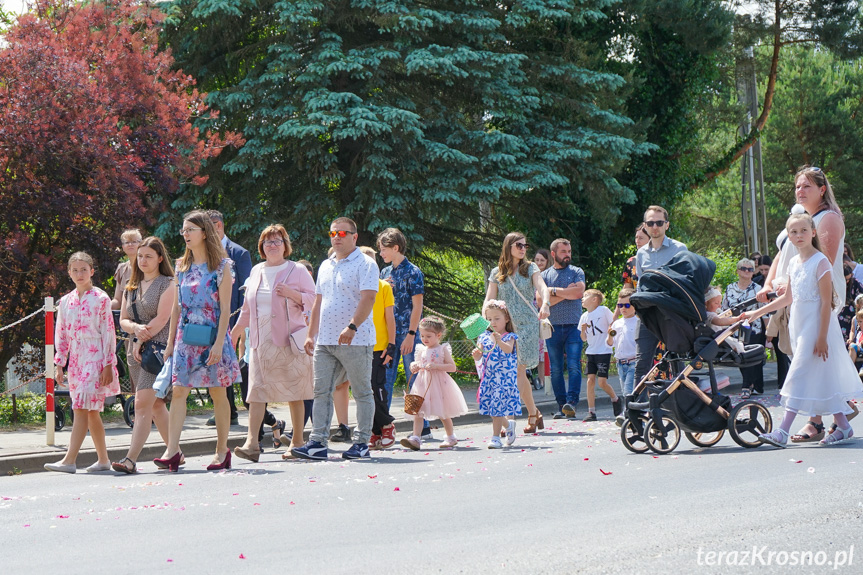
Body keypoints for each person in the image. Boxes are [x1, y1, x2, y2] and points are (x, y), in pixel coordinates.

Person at [743, 213, 862, 447]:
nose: (799, 236)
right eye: (794, 232)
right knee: (821, 378)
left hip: (818, 329)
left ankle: (782, 431)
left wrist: (821, 337)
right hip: (799, 326)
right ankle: (844, 427)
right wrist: (756, 313)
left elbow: (826, 304)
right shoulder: (793, 263)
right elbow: (788, 297)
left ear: (813, 233)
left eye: (803, 231)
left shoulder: (821, 262)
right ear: (789, 236)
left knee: (797, 374)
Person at [756, 167, 851, 442]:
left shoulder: (827, 219)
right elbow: (781, 257)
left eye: (807, 186)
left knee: (800, 367)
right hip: (794, 302)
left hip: (816, 304)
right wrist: (768, 286)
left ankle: (783, 430)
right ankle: (840, 421)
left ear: (822, 189)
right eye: (797, 186)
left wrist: (792, 285)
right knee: (814, 366)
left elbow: (824, 261)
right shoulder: (799, 221)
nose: (800, 190)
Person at [154, 211, 241, 472]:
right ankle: (172, 450)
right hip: (186, 337)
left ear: (204, 232)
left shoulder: (223, 267)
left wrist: (217, 345)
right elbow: (176, 308)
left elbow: (225, 309)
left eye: (190, 229)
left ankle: (222, 450)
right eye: (183, 230)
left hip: (213, 335)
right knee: (179, 390)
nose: (185, 234)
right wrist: (170, 343)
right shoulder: (182, 266)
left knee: (217, 392)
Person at [291, 217, 379, 461]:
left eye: (342, 233)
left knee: (362, 392)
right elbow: (318, 301)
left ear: (354, 236)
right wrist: (311, 334)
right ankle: (318, 442)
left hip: (356, 340)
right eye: (333, 233)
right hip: (325, 341)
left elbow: (368, 298)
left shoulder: (366, 264)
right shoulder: (325, 265)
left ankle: (361, 443)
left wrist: (352, 326)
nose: (337, 237)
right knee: (321, 391)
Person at [230, 225, 315, 462]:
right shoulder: (256, 270)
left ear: (286, 245)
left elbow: (314, 300)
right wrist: (235, 331)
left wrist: (292, 294)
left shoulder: (297, 270)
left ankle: (297, 442)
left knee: (294, 391)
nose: (273, 245)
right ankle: (252, 444)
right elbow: (247, 307)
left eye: (278, 241)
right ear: (262, 247)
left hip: (289, 338)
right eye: (268, 242)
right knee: (256, 392)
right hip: (260, 338)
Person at [45, 252, 121, 473]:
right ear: (69, 272)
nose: (80, 274)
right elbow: (61, 333)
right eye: (75, 270)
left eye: (84, 269)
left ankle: (69, 460)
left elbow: (108, 332)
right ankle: (103, 459)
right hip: (77, 361)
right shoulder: (65, 301)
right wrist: (60, 363)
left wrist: (109, 363)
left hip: (96, 359)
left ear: (92, 271)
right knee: (90, 411)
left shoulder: (101, 299)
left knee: (80, 408)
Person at [112, 237, 175, 474]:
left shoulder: (168, 283)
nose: (143, 260)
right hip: (135, 351)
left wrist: (140, 337)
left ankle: (130, 459)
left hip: (156, 351)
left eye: (148, 256)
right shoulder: (132, 286)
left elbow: (162, 319)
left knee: (141, 406)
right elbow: (123, 320)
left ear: (160, 258)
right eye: (140, 256)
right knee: (156, 405)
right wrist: (135, 330)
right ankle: (175, 451)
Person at [485, 232, 550, 433]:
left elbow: (542, 287)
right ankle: (533, 413)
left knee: (517, 371)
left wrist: (545, 303)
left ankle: (514, 419)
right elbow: (489, 299)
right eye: (518, 245)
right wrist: (487, 319)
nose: (523, 248)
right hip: (507, 327)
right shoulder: (497, 272)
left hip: (527, 326)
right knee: (513, 373)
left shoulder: (530, 267)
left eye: (525, 245)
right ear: (508, 247)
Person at [377, 228, 427, 434]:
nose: (380, 254)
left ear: (395, 248)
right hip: (388, 335)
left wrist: (411, 335)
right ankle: (383, 424)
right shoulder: (384, 273)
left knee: (413, 379)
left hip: (409, 334)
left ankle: (422, 427)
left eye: (383, 249)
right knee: (384, 380)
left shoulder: (414, 272)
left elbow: (418, 306)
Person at [206, 210, 252, 427]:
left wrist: (241, 323)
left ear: (218, 225)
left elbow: (245, 291)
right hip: (208, 319)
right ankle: (227, 410)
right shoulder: (201, 254)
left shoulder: (239, 253)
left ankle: (243, 409)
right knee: (214, 364)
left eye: (208, 225)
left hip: (233, 318)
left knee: (229, 364)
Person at [633, 205, 687, 385]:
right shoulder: (641, 253)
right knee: (642, 362)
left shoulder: (679, 249)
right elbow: (641, 284)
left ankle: (681, 406)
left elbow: (685, 282)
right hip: (648, 313)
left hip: (672, 312)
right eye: (650, 223)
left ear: (667, 225)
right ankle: (634, 409)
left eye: (659, 222)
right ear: (645, 226)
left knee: (676, 362)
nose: (655, 226)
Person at [400, 317, 468, 450]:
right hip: (423, 384)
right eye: (422, 335)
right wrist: (414, 366)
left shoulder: (442, 349)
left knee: (443, 412)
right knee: (418, 410)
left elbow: (452, 367)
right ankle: (416, 438)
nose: (424, 339)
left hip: (439, 383)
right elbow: (418, 362)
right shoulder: (421, 349)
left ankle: (451, 437)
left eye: (428, 336)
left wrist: (437, 366)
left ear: (438, 335)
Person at [541, 238, 584, 420]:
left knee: (574, 366)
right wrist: (566, 292)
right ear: (553, 254)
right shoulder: (544, 276)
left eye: (569, 251)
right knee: (556, 369)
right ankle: (561, 405)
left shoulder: (576, 272)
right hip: (553, 327)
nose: (568, 255)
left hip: (575, 326)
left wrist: (552, 293)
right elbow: (539, 301)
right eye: (563, 252)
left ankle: (571, 403)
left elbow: (579, 293)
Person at [359, 246, 397, 450]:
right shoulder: (354, 286)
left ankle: (386, 423)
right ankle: (374, 430)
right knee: (363, 389)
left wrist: (391, 345)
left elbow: (389, 318)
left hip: (379, 345)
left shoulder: (384, 287)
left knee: (377, 386)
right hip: (358, 344)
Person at [472, 300, 520, 449]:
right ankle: (508, 425)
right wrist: (476, 354)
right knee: (493, 410)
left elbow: (507, 350)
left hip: (504, 379)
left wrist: (499, 340)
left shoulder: (509, 336)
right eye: (489, 319)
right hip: (490, 378)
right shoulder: (483, 337)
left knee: (496, 409)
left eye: (497, 318)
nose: (493, 322)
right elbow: (479, 355)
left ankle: (495, 438)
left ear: (506, 319)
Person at [722, 258, 765, 398]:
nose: (747, 271)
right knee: (740, 357)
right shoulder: (730, 288)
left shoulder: (758, 289)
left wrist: (770, 331)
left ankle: (746, 386)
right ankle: (752, 384)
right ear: (738, 271)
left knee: (750, 356)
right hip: (735, 329)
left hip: (754, 329)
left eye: (750, 269)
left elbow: (764, 311)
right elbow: (724, 309)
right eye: (744, 268)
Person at [578, 289, 622, 422]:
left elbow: (613, 323)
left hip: (604, 351)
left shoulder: (603, 310)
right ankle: (591, 411)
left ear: (594, 300)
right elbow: (583, 338)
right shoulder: (584, 316)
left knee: (602, 382)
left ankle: (615, 399)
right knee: (590, 381)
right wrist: (584, 330)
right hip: (591, 352)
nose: (582, 298)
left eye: (586, 296)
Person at [608, 288, 638, 398]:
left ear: (635, 306)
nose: (623, 309)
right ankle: (635, 412)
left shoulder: (638, 323)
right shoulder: (617, 324)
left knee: (628, 391)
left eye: (627, 305)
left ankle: (627, 413)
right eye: (620, 306)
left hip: (633, 362)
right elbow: (610, 343)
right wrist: (610, 335)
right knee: (625, 391)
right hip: (620, 363)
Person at [111, 229, 142, 310]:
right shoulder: (121, 268)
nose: (130, 244)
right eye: (127, 242)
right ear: (123, 247)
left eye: (134, 241)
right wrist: (103, 305)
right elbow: (118, 301)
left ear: (141, 244)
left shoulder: (147, 267)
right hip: (126, 318)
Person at [839, 256, 863, 340]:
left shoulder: (856, 284)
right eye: (845, 280)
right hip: (839, 316)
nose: (847, 282)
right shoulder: (835, 283)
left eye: (849, 279)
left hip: (853, 316)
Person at [622, 224, 650, 290]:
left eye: (641, 238)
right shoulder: (631, 262)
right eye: (636, 237)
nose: (637, 241)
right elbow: (627, 289)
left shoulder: (658, 259)